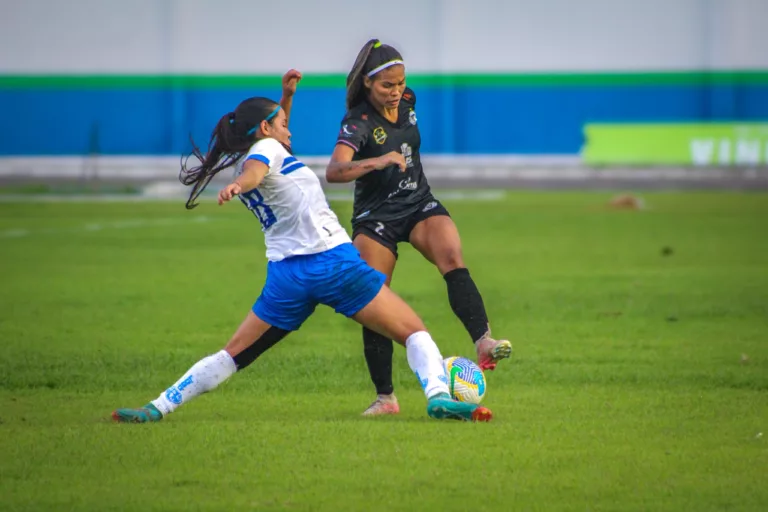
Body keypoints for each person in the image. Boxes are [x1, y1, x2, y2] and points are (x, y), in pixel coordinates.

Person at [112, 70, 492, 424]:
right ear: (264, 129)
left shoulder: (259, 151)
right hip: (334, 265)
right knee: (414, 332)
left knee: (231, 355)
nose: (288, 130)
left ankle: (155, 409)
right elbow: (257, 169)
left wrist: (285, 99)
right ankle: (438, 395)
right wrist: (239, 185)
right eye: (281, 123)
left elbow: (264, 155)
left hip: (287, 278)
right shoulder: (264, 156)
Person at [326, 40, 513, 416]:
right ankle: (386, 399)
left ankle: (483, 340)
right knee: (374, 297)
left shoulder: (408, 100)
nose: (395, 93)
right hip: (376, 216)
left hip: (417, 202)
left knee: (451, 255)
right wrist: (376, 162)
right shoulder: (358, 122)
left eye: (400, 84)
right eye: (386, 86)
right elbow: (334, 171)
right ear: (366, 83)